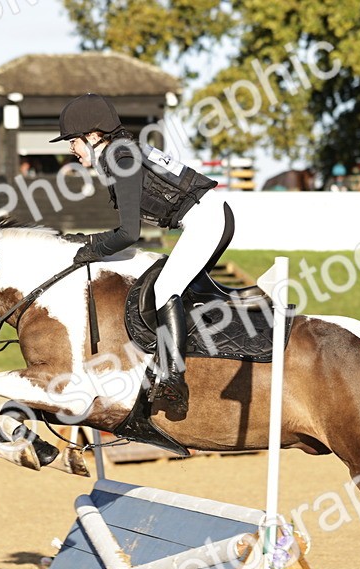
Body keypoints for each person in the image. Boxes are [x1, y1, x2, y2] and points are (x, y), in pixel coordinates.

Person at [51, 93, 223, 416]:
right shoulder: (118, 154)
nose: (71, 151)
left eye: (72, 142)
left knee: (164, 288)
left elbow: (129, 234)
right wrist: (90, 242)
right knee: (169, 284)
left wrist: (89, 248)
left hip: (208, 219)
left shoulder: (121, 158)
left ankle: (174, 380)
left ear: (92, 136)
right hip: (205, 218)